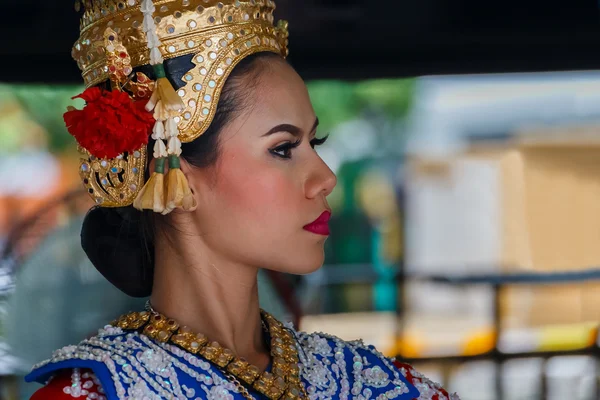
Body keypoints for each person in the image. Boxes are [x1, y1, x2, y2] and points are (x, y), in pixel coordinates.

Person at [25, 0, 460, 399]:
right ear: (177, 172)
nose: (325, 178)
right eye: (283, 148)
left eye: (316, 141)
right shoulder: (97, 392)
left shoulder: (370, 381)